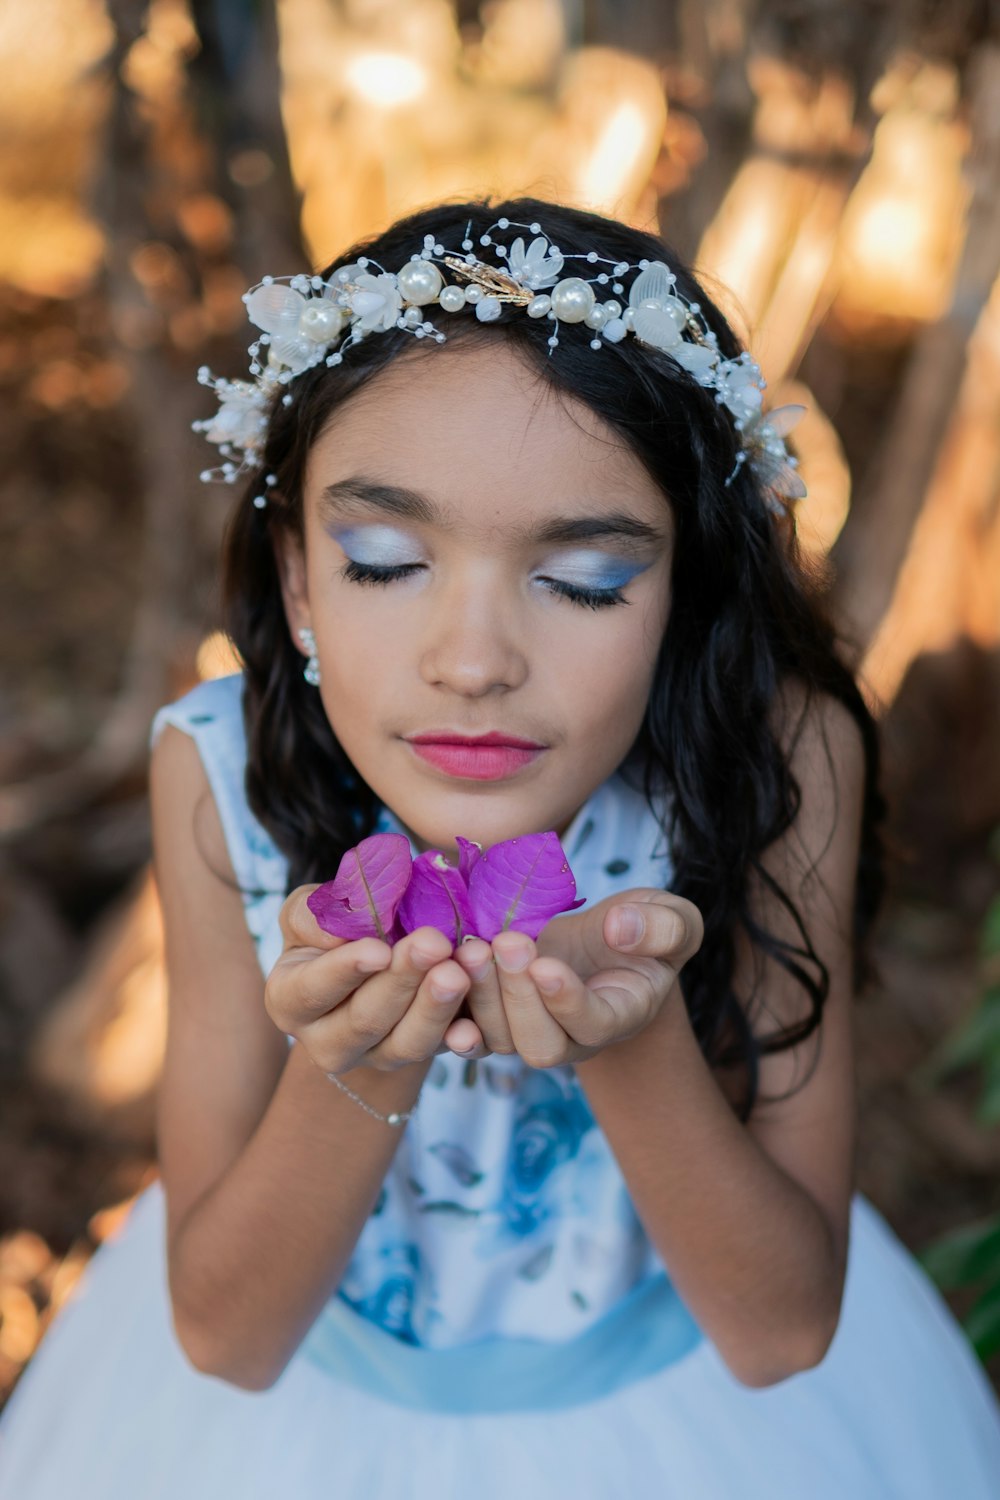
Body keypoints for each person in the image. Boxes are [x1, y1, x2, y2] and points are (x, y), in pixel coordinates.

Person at [1, 195, 999, 1499]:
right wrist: (357, 1055)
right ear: (300, 581)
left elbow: (780, 1332)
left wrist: (623, 1031)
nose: (473, 664)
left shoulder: (779, 759)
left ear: (685, 592)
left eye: (583, 579)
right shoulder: (222, 773)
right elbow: (229, 1340)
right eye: (380, 559)